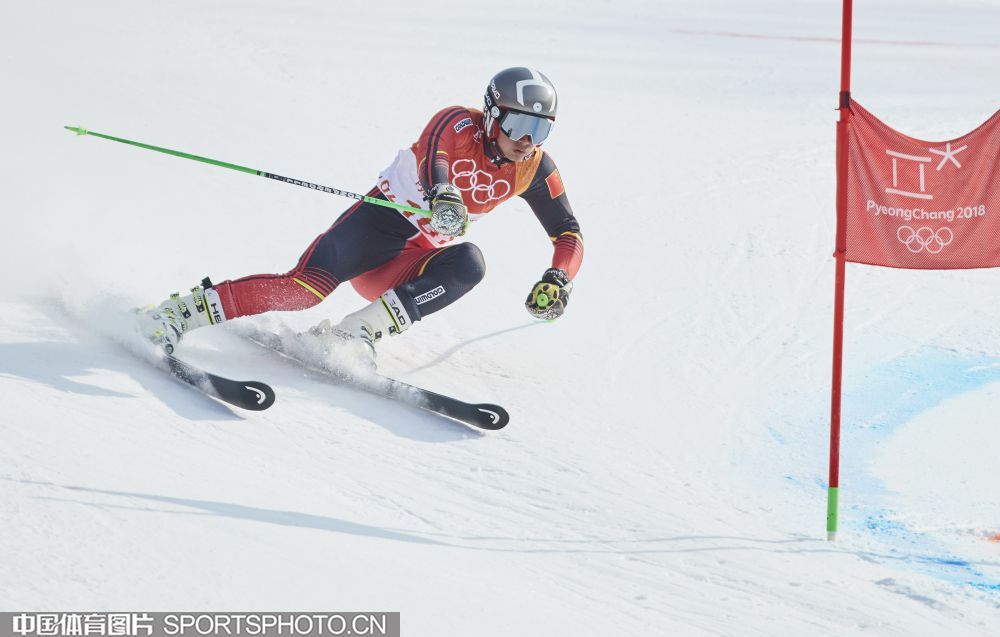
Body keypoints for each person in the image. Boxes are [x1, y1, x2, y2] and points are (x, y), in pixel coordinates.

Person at [139, 67, 584, 366]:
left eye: (540, 129)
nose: (527, 140)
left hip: (408, 262)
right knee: (303, 291)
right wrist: (442, 194)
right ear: (491, 115)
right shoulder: (458, 123)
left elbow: (568, 233)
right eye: (518, 125)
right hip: (376, 226)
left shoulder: (535, 168)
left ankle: (351, 336)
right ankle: (181, 313)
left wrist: (558, 278)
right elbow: (436, 157)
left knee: (469, 263)